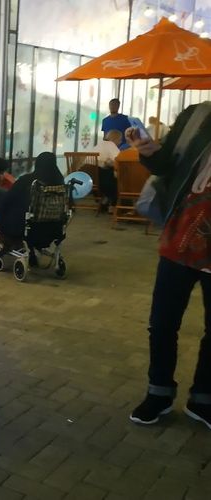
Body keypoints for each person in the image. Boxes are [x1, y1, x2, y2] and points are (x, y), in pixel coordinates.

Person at [125, 101, 211, 429]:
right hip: (181, 239)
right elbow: (166, 165)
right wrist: (148, 149)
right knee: (162, 323)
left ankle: (203, 399)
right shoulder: (198, 116)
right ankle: (159, 393)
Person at [0, 152, 64, 267]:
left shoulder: (28, 181)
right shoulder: (60, 184)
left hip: (27, 228)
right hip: (53, 229)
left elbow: (7, 200)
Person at [91, 129, 122, 210]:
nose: (120, 142)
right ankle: (113, 205)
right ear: (116, 139)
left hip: (92, 179)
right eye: (120, 140)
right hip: (103, 178)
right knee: (120, 178)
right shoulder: (111, 144)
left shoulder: (99, 144)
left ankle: (105, 200)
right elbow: (118, 160)